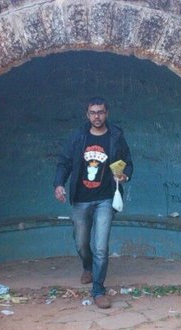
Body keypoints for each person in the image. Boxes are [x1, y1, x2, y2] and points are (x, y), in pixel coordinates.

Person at [53, 97, 133, 309]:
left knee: (100, 246)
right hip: (81, 198)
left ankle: (98, 290)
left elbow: (128, 161)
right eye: (92, 112)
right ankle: (87, 266)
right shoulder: (79, 137)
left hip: (105, 198)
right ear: (87, 115)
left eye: (100, 112)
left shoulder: (115, 136)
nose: (97, 116)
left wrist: (124, 176)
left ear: (107, 113)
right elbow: (64, 162)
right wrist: (59, 184)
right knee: (81, 242)